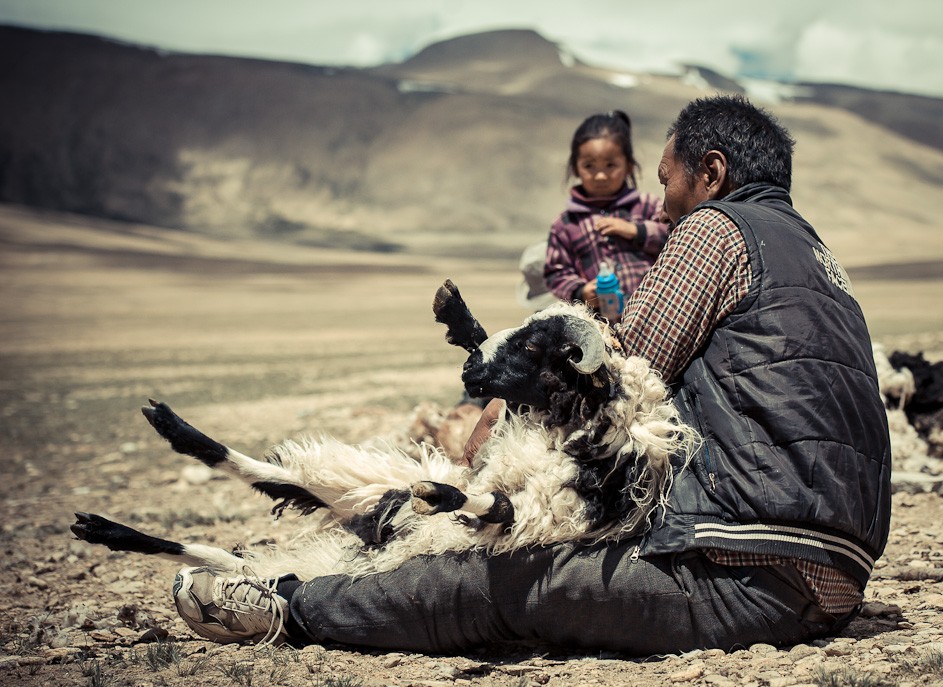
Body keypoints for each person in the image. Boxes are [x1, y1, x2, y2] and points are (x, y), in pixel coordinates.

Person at [170, 95, 891, 655]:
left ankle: (291, 607)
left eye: (670, 183)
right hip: (834, 579)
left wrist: (519, 404)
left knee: (502, 578)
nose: (666, 207)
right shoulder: (826, 266)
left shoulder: (716, 229)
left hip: (745, 573)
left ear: (713, 173)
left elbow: (621, 376)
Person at [543, 110, 670, 311]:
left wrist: (636, 231)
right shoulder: (566, 224)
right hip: (603, 325)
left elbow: (676, 237)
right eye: (589, 166)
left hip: (655, 314)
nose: (600, 175)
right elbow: (555, 273)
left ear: (628, 166)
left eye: (611, 165)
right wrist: (580, 291)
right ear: (576, 168)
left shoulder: (648, 205)